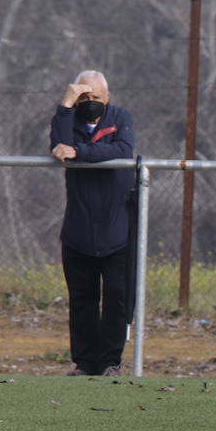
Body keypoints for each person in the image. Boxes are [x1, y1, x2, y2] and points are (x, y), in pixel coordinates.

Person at [49, 70, 137, 376]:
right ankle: (84, 363)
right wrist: (66, 103)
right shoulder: (68, 121)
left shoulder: (121, 117)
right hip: (78, 231)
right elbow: (59, 146)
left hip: (117, 231)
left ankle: (111, 362)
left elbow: (122, 150)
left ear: (107, 97)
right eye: (83, 97)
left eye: (95, 97)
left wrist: (81, 152)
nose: (90, 103)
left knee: (117, 298)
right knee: (83, 300)